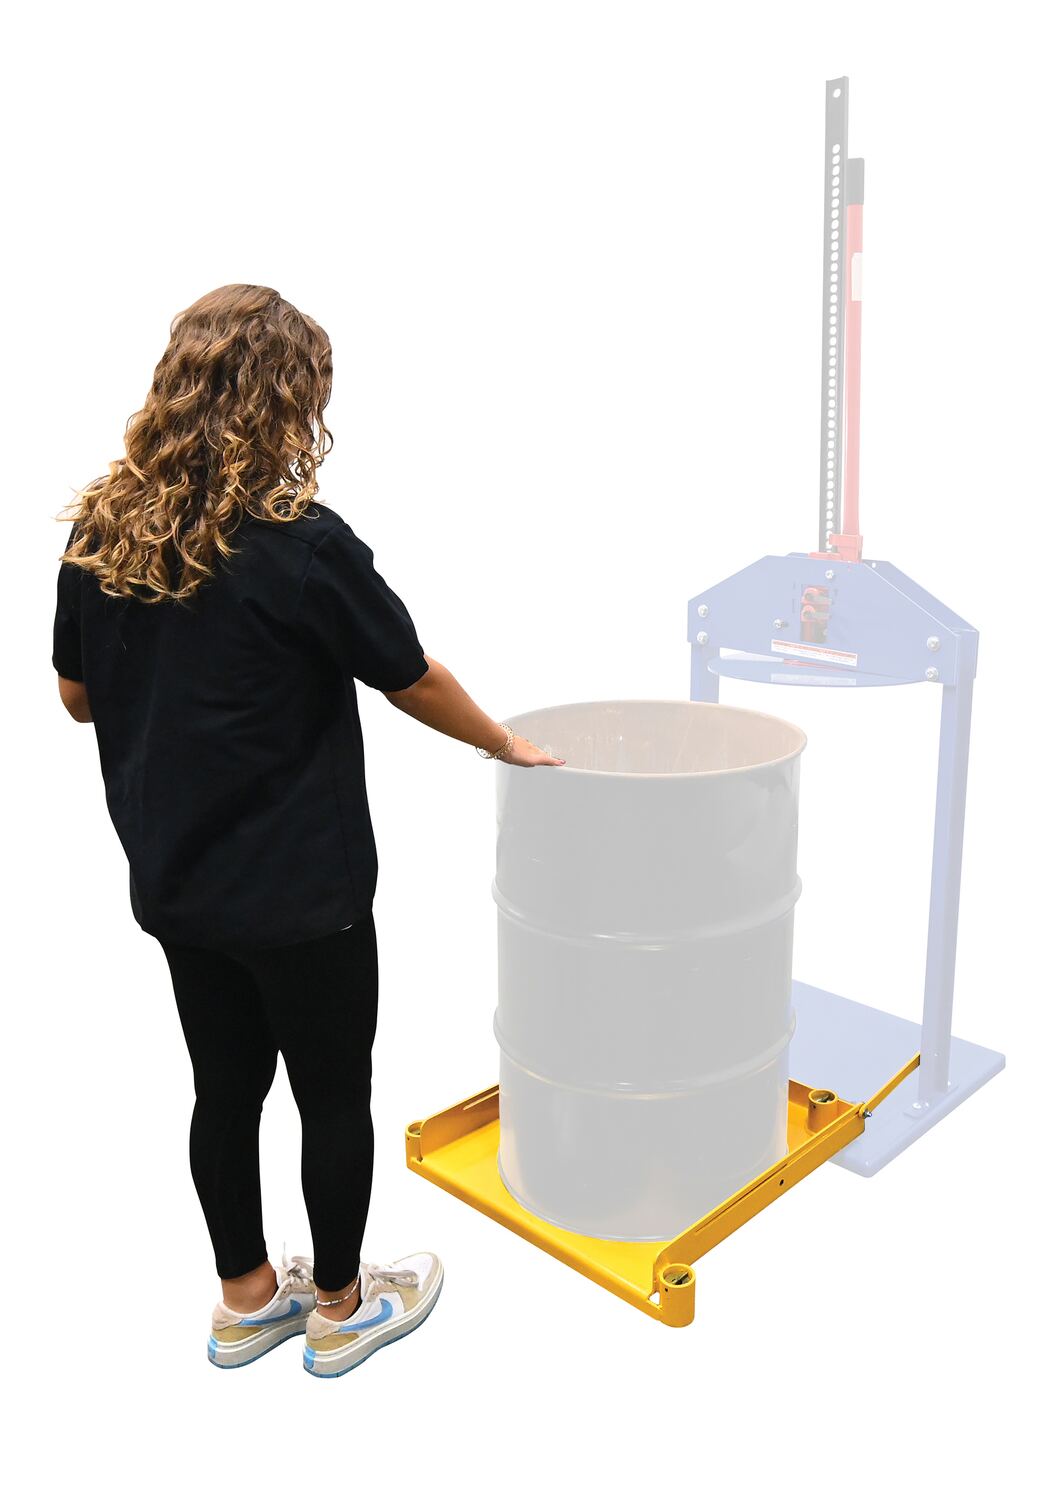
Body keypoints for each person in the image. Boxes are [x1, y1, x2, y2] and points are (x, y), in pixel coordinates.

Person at [52, 283, 564, 1378]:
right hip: (302, 893)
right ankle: (339, 1307)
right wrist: (503, 744)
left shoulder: (106, 530)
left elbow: (76, 697)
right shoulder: (300, 544)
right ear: (284, 401)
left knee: (223, 1090)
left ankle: (246, 1301)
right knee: (332, 1096)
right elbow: (410, 676)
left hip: (178, 882)